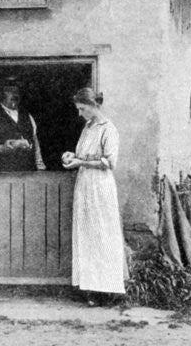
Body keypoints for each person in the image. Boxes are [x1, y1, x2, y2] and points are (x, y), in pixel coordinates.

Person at [61, 88, 125, 304]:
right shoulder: (88, 128)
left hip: (100, 187)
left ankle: (107, 290)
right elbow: (83, 153)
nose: (80, 114)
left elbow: (109, 162)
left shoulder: (109, 129)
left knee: (102, 235)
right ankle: (90, 288)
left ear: (93, 106)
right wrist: (73, 156)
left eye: (82, 109)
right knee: (86, 234)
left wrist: (81, 163)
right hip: (85, 185)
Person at [0, 77, 45, 171]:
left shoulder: (27, 116)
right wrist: (3, 148)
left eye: (17, 91)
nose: (14, 95)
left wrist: (40, 166)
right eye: (9, 91)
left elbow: (36, 145)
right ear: (1, 93)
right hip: (2, 174)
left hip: (28, 173)